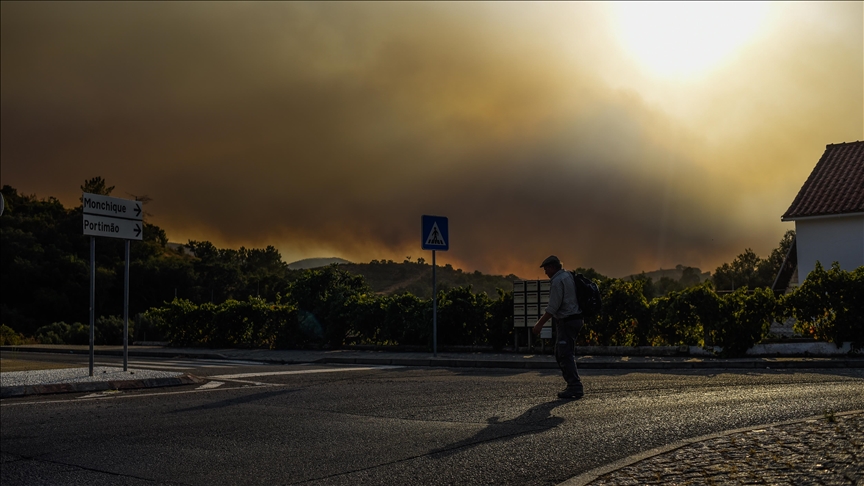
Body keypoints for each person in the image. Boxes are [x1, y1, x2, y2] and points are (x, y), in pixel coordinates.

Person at [532, 255, 584, 399]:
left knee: (564, 354)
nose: (545, 273)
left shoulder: (557, 281)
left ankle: (575, 386)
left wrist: (539, 324)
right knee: (562, 352)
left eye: (546, 269)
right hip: (576, 319)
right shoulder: (568, 275)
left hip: (567, 321)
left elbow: (553, 307)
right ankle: (572, 385)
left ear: (553, 267)